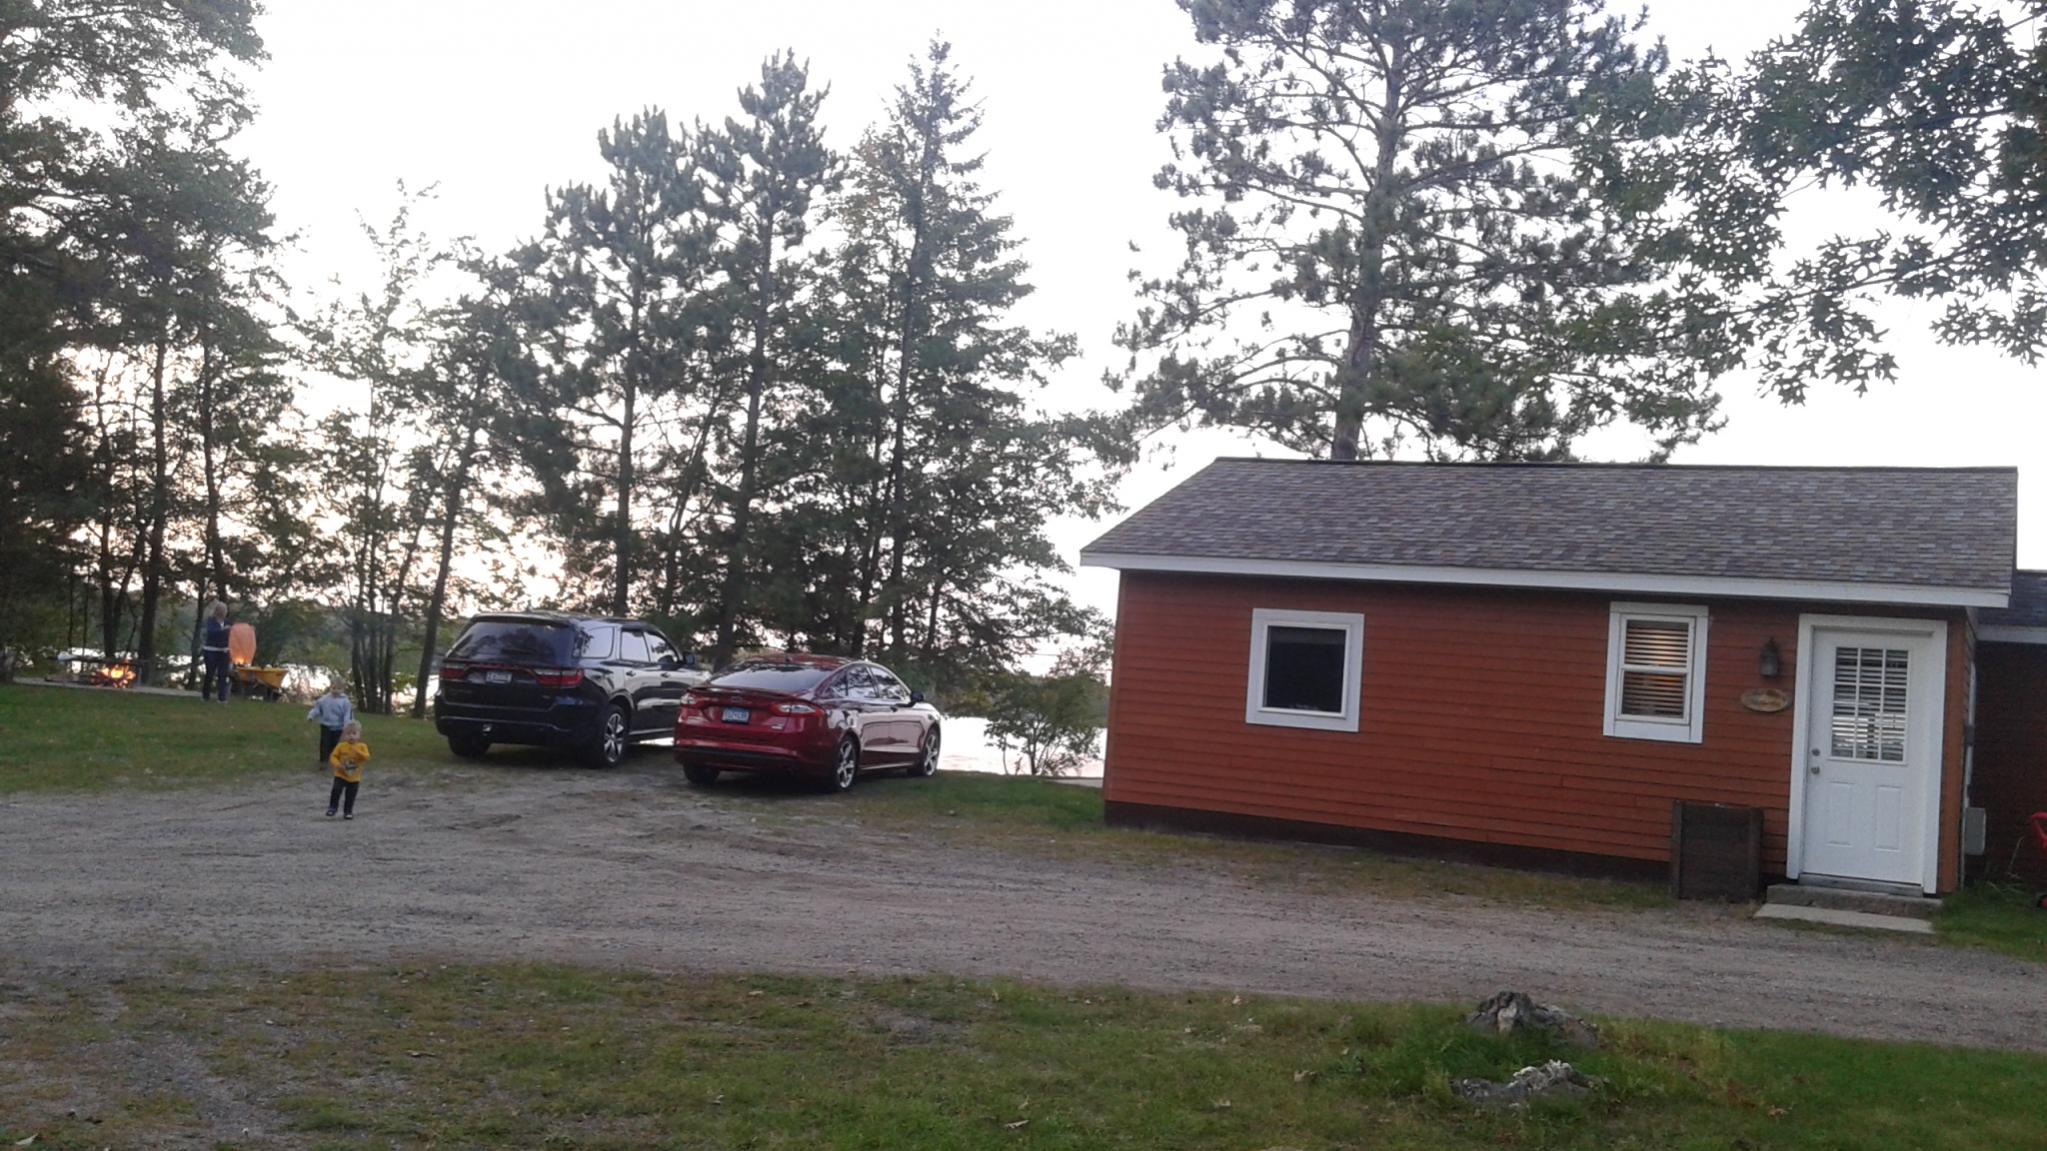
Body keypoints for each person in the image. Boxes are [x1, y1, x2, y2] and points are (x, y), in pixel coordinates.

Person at [326, 720, 369, 820]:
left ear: (359, 735)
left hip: (354, 777)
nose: (351, 736)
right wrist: (337, 765)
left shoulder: (362, 746)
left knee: (350, 795)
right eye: (348, 733)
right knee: (336, 790)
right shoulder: (341, 746)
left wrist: (358, 752)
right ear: (344, 735)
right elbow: (333, 756)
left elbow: (367, 757)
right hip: (340, 774)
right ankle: (333, 807)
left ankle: (348, 811)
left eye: (354, 733)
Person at [306, 682, 354, 768]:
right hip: (326, 725)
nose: (336, 691)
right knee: (324, 744)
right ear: (330, 688)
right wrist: (311, 716)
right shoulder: (324, 699)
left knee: (335, 744)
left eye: (339, 689)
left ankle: (333, 759)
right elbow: (317, 709)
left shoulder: (345, 702)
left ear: (343, 690)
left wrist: (347, 725)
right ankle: (323, 761)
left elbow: (347, 715)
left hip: (339, 727)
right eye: (334, 688)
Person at [200, 601, 232, 703]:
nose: (224, 612)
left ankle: (222, 698)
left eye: (225, 610)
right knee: (210, 674)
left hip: (224, 651)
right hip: (211, 650)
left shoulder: (228, 622)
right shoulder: (210, 621)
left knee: (223, 675)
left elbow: (235, 633)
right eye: (222, 610)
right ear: (217, 610)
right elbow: (210, 632)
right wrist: (222, 630)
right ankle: (205, 696)